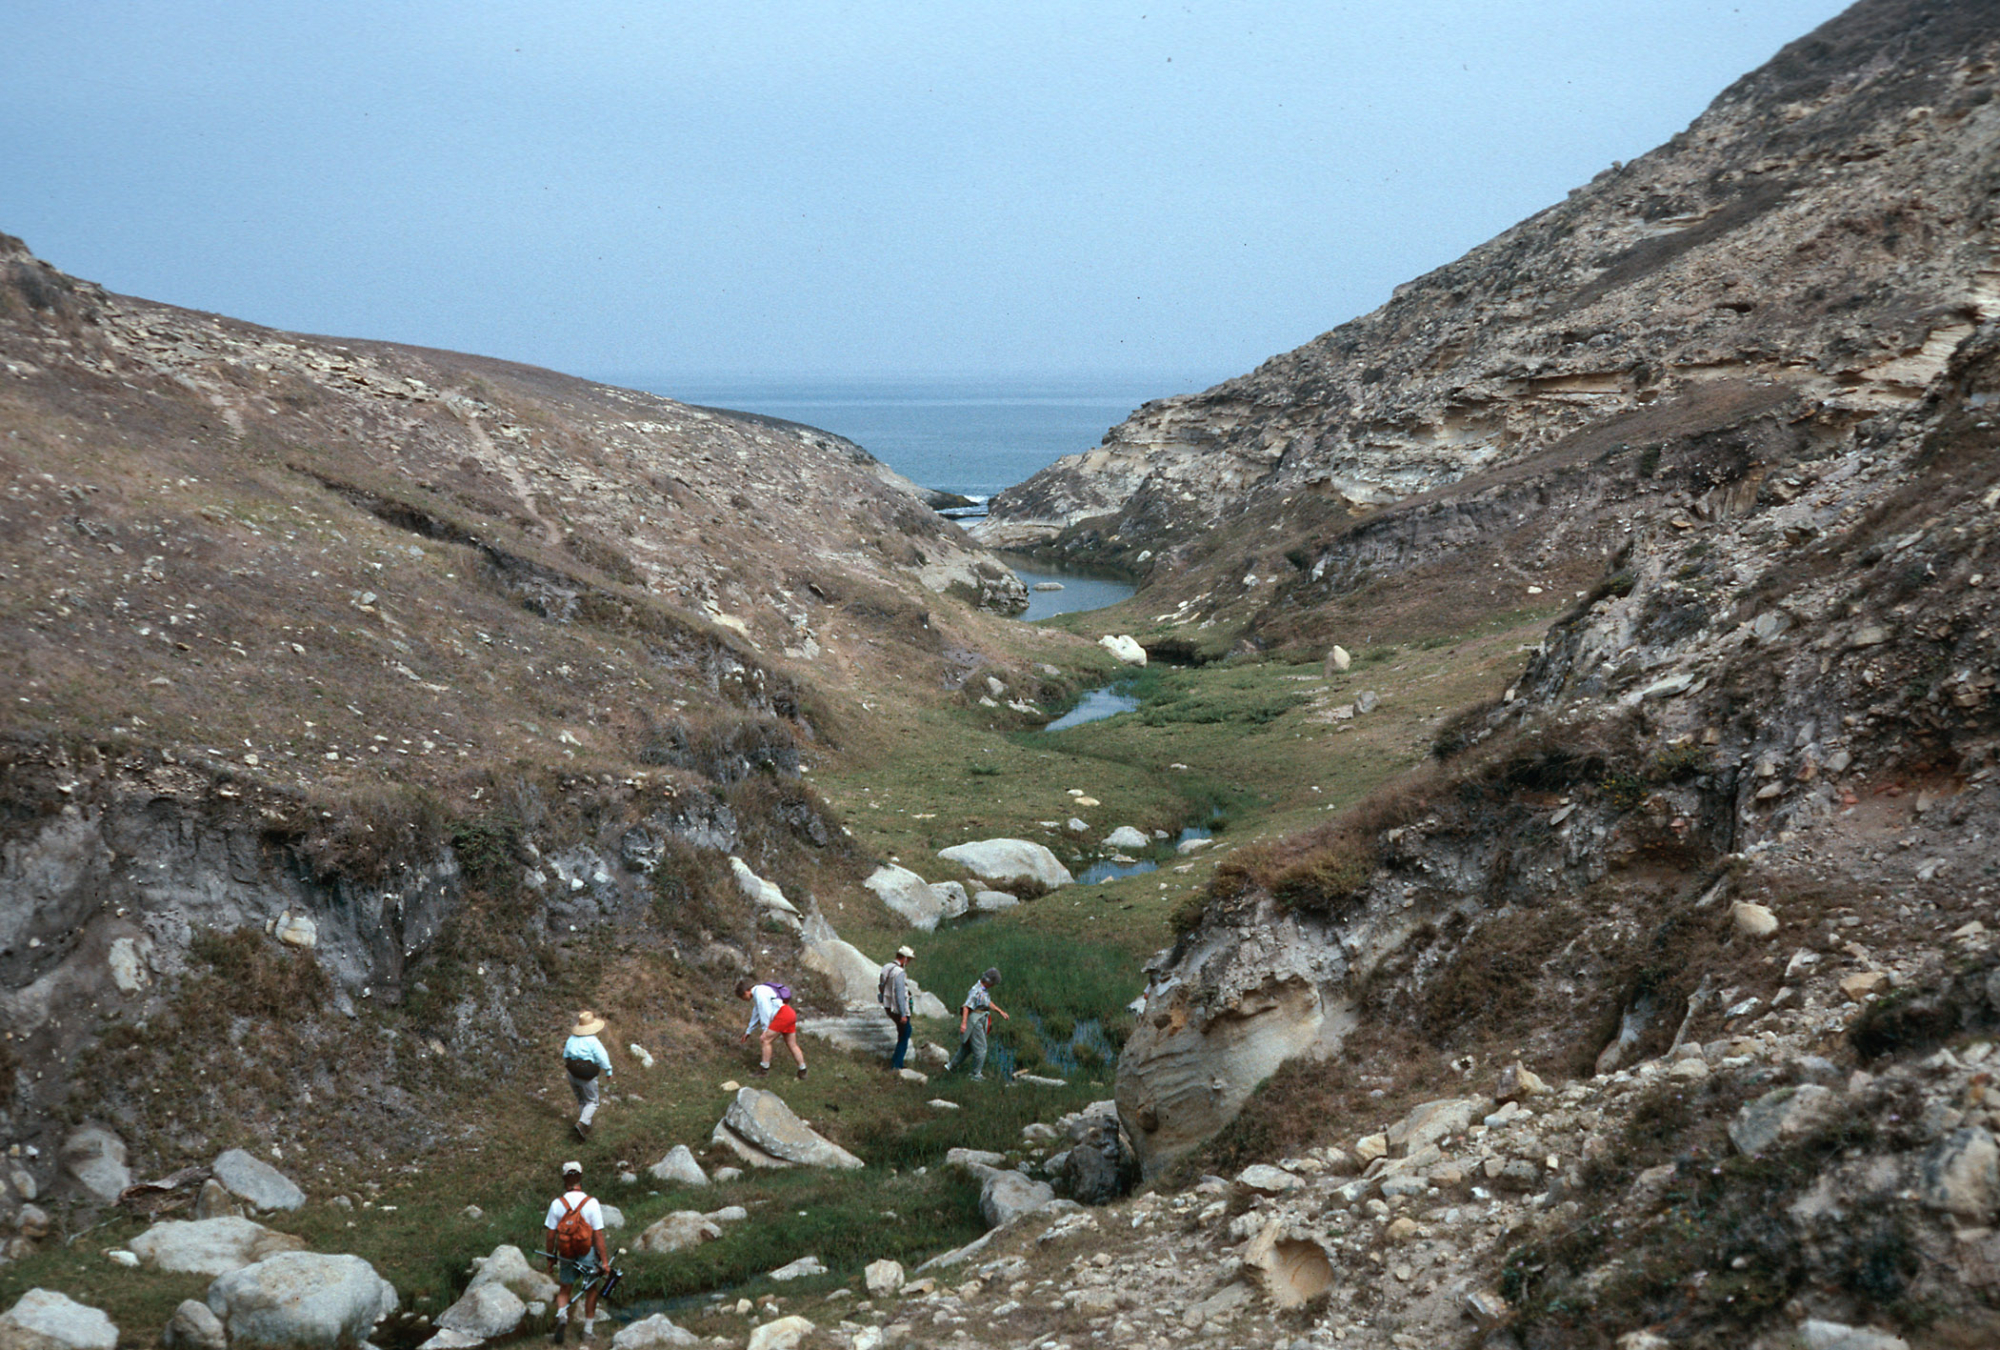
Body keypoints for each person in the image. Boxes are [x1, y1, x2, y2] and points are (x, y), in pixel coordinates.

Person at [544, 1161, 610, 1343]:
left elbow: (551, 1235)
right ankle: (587, 1332)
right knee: (591, 1289)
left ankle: (562, 1316)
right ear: (580, 1177)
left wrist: (551, 1258)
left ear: (564, 1179)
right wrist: (604, 1262)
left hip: (566, 1251)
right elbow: (598, 1235)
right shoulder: (591, 1203)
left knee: (565, 1288)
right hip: (586, 1251)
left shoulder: (557, 1204)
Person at [737, 976, 807, 1079]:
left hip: (783, 1015)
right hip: (790, 1013)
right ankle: (803, 1070)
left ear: (746, 992)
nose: (744, 1000)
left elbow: (764, 1011)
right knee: (792, 1044)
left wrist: (765, 1029)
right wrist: (749, 1031)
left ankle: (763, 1071)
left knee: (765, 1040)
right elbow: (756, 1013)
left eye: (742, 997)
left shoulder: (759, 993)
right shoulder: (761, 990)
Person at [947, 967, 1009, 1081]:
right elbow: (966, 1007)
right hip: (975, 1021)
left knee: (967, 1047)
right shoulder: (976, 990)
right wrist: (964, 1024)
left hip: (980, 1018)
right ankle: (975, 1074)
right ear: (989, 982)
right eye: (993, 983)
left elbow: (986, 1002)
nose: (993, 986)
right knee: (981, 1048)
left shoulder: (983, 990)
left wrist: (1000, 1011)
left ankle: (951, 1066)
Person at [562, 1010, 613, 1141]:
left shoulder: (571, 1039)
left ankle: (585, 1127)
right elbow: (602, 1057)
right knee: (592, 1102)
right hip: (586, 1074)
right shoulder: (593, 1041)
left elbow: (565, 1055)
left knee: (581, 1100)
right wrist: (608, 1071)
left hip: (571, 1072)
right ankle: (583, 1123)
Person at [878, 945, 916, 1070]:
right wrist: (903, 1014)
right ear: (904, 958)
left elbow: (881, 985)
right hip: (898, 1008)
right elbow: (900, 994)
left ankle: (896, 1061)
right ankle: (897, 1064)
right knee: (906, 1032)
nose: (908, 962)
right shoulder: (899, 972)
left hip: (888, 1005)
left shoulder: (886, 967)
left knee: (902, 1031)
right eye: (908, 959)